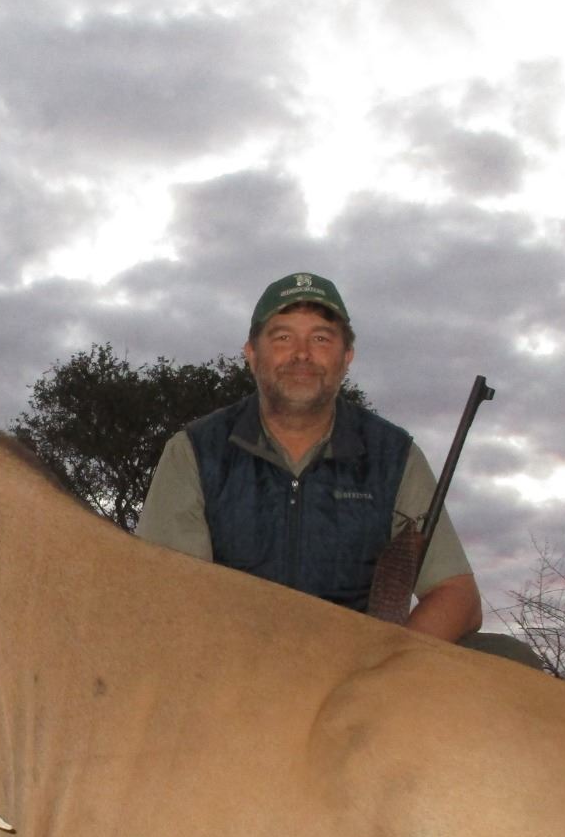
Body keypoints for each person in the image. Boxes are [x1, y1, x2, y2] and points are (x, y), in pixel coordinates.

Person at [135, 271, 540, 665]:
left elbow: (457, 595)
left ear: (346, 357)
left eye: (321, 339)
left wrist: (385, 668)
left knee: (511, 659)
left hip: (357, 669)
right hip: (234, 666)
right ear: (252, 355)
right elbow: (172, 594)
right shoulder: (194, 450)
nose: (302, 354)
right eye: (282, 337)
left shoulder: (393, 454)